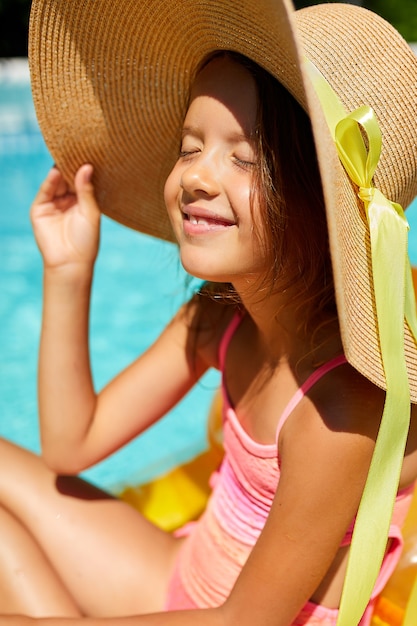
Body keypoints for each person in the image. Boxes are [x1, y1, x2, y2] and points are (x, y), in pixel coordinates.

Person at [1, 0, 417, 624]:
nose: (197, 177)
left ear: (319, 204)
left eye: (243, 158)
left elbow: (242, 621)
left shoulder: (340, 409)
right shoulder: (222, 317)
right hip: (179, 581)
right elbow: (71, 444)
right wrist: (67, 269)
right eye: (189, 147)